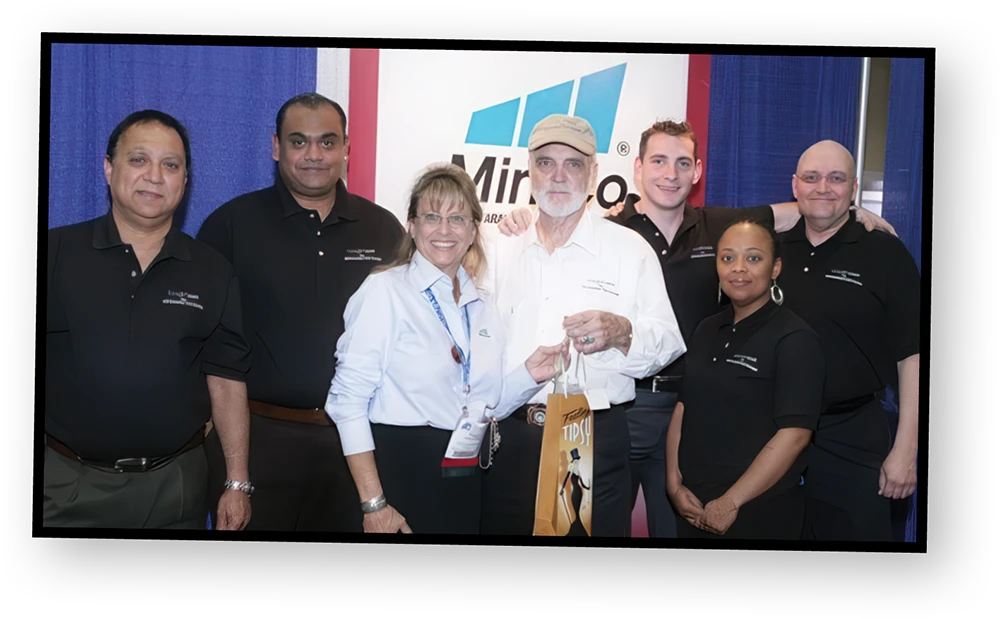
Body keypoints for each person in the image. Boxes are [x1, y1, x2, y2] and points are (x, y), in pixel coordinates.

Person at [498, 120, 896, 538]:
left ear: (697, 170)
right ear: (637, 169)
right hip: (617, 413)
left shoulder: (718, 224)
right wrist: (522, 217)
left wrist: (851, 208)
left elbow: (793, 208)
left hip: (686, 409)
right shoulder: (614, 228)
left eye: (682, 162)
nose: (670, 173)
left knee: (679, 523)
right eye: (659, 161)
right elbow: (557, 207)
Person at [196, 93, 405, 531]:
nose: (314, 154)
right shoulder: (231, 225)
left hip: (358, 448)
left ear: (348, 148)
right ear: (276, 147)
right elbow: (200, 341)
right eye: (299, 142)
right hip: (257, 445)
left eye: (328, 142)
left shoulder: (384, 230)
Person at [324, 163, 570, 534]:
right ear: (411, 225)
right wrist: (374, 504)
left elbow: (482, 404)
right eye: (432, 217)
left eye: (457, 218)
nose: (444, 230)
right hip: (397, 475)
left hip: (464, 478)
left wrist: (530, 375)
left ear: (473, 230)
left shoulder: (483, 305)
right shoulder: (386, 292)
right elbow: (346, 401)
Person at [479, 114, 686, 537]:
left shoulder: (630, 249)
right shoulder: (499, 246)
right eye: (545, 163)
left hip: (589, 436)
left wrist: (623, 332)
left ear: (593, 173)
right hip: (508, 435)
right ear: (529, 171)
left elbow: (669, 341)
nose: (557, 176)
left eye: (573, 164)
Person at [45, 110, 253, 529]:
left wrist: (237, 480)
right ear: (108, 168)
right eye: (139, 160)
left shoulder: (213, 270)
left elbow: (227, 381)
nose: (155, 176)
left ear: (185, 180)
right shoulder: (57, 252)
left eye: (170, 165)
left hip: (175, 490)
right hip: (64, 487)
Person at [777, 140, 919, 542]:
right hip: (773, 435)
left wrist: (906, 450)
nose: (823, 187)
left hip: (854, 436)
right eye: (812, 177)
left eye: (836, 178)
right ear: (795, 185)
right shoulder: (769, 250)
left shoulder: (885, 252)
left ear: (853, 187)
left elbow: (913, 356)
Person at [665, 219, 825, 539]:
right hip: (693, 506)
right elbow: (684, 407)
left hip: (758, 511)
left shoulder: (794, 338)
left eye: (753, 258)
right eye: (727, 258)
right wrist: (673, 484)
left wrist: (730, 503)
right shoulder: (706, 329)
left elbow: (795, 434)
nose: (739, 268)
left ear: (775, 268)